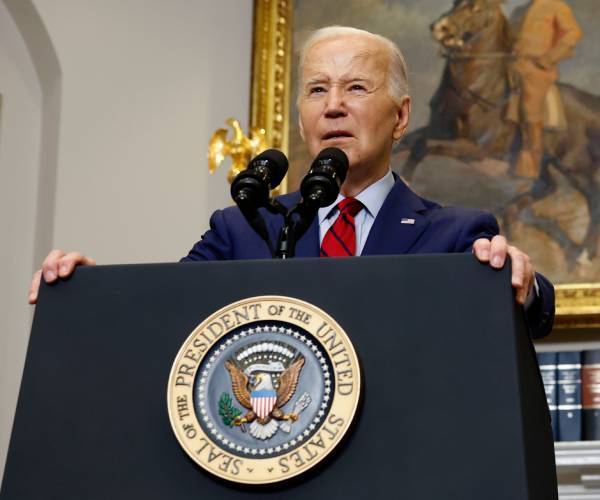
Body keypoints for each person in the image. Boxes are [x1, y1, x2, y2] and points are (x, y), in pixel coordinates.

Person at [28, 26, 554, 338]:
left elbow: (527, 314)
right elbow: (164, 312)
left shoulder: (455, 235)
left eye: (356, 88)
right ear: (302, 119)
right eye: (318, 90)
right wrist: (91, 291)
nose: (334, 106)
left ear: (400, 117)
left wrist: (522, 286)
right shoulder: (244, 228)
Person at [508, 0, 581, 178]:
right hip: (514, 65)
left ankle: (531, 163)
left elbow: (573, 33)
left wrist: (549, 58)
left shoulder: (557, 6)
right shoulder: (521, 10)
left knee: (530, 107)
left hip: (537, 69)